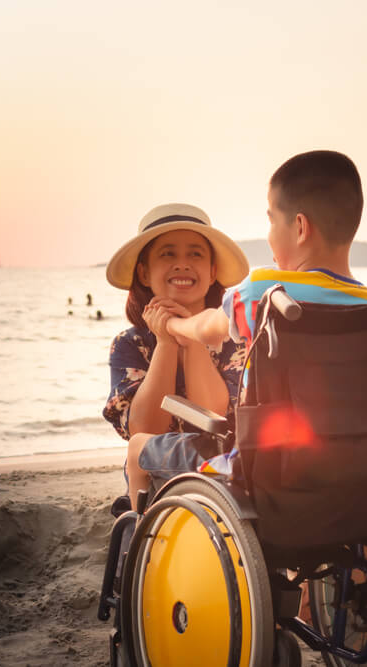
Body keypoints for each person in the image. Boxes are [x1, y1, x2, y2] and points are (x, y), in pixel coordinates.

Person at [120, 151, 367, 507]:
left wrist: (176, 326)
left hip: (260, 468)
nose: (270, 236)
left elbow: (211, 329)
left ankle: (140, 547)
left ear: (300, 227)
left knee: (138, 448)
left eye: (272, 222)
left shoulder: (264, 293)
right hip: (353, 468)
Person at [102, 203, 251, 505]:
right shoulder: (129, 344)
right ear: (143, 273)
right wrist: (167, 344)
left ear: (212, 273)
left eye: (195, 254)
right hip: (157, 484)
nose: (182, 264)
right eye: (167, 253)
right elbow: (143, 435)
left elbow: (212, 420)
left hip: (224, 474)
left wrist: (189, 335)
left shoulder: (234, 339)